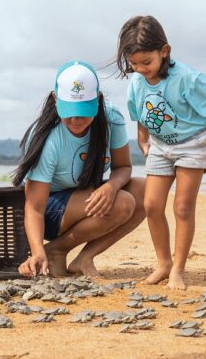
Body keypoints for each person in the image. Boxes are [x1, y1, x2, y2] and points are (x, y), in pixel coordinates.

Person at [115, 16, 206, 290]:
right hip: (159, 145)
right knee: (152, 205)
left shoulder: (188, 78)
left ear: (164, 51)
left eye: (147, 62)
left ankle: (178, 269)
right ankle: (163, 263)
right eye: (134, 64)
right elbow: (139, 113)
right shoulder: (138, 82)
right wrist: (142, 140)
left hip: (192, 142)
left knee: (182, 207)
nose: (141, 69)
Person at [12, 60, 145, 278]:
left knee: (146, 191)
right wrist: (37, 252)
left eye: (83, 111)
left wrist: (111, 186)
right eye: (70, 111)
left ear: (98, 99)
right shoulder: (48, 138)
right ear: (56, 100)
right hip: (50, 209)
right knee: (123, 202)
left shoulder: (112, 118)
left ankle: (84, 258)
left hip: (83, 197)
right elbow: (34, 207)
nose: (76, 119)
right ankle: (55, 250)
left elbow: (123, 167)